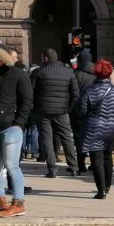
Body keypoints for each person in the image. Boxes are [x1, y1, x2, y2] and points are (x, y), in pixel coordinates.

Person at [0, 44, 33, 218]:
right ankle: (0, 199)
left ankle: (18, 202)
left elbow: (27, 101)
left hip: (11, 127)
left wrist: (18, 123)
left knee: (12, 165)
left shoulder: (18, 74)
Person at [75, 60, 114, 199]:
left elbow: (81, 110)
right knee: (108, 156)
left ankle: (101, 190)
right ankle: (108, 186)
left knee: (96, 158)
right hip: (113, 127)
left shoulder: (89, 90)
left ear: (95, 73)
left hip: (93, 127)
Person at [31, 48, 79, 178]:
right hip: (62, 111)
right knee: (67, 138)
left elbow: (31, 93)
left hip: (42, 111)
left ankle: (52, 169)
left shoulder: (38, 72)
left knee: (46, 139)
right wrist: (68, 108)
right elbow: (75, 95)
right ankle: (73, 166)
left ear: (45, 58)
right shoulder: (69, 72)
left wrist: (35, 108)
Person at [71, 50, 96, 174]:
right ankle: (94, 163)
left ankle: (81, 164)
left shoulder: (75, 74)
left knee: (79, 138)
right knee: (93, 138)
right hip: (94, 111)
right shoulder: (95, 74)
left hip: (77, 111)